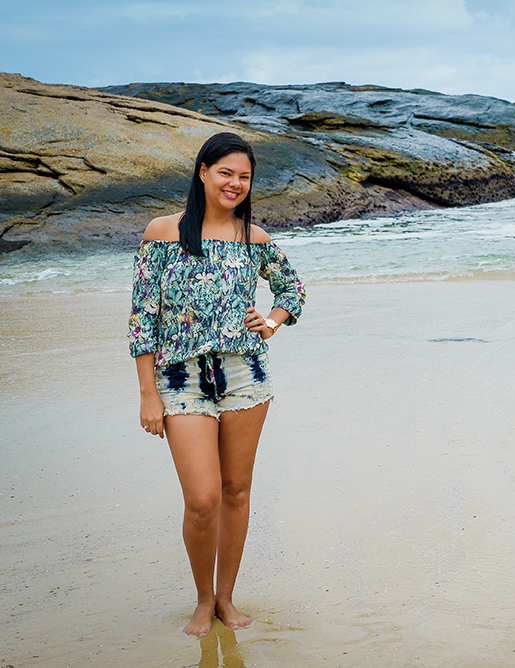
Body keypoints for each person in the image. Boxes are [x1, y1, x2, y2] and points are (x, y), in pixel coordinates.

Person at [128, 132, 305, 637]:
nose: (235, 183)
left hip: (245, 374)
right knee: (202, 499)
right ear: (202, 171)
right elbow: (143, 318)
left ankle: (225, 598)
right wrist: (148, 394)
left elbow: (293, 289)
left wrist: (271, 322)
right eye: (226, 172)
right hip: (179, 378)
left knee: (236, 489)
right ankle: (202, 599)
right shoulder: (162, 232)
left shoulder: (255, 237)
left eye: (245, 176)